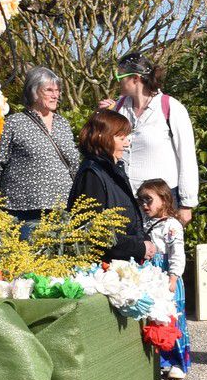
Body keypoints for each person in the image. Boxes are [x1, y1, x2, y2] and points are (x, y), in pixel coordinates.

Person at [99, 52, 198, 226]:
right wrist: (103, 115)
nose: (117, 81)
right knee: (130, 252)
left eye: (119, 76)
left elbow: (187, 156)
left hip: (161, 201)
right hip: (126, 198)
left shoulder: (170, 108)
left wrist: (187, 204)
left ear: (135, 78)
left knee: (161, 252)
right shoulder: (119, 108)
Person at [0, 66, 79, 238]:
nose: (55, 95)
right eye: (49, 90)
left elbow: (73, 162)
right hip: (25, 209)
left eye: (57, 90)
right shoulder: (14, 123)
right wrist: (11, 189)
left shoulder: (63, 124)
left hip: (62, 208)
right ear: (34, 92)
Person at [67, 110, 156, 264]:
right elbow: (95, 232)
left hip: (120, 263)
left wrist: (144, 241)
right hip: (104, 269)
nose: (127, 143)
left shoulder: (112, 170)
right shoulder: (92, 174)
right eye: (121, 138)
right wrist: (139, 247)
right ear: (103, 137)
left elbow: (130, 218)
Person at [138, 178, 190, 380]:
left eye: (148, 200)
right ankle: (163, 359)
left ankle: (178, 361)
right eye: (141, 200)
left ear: (164, 199)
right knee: (155, 316)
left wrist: (173, 276)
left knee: (172, 317)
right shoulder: (146, 223)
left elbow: (177, 253)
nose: (144, 205)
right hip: (152, 277)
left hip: (167, 276)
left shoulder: (171, 225)